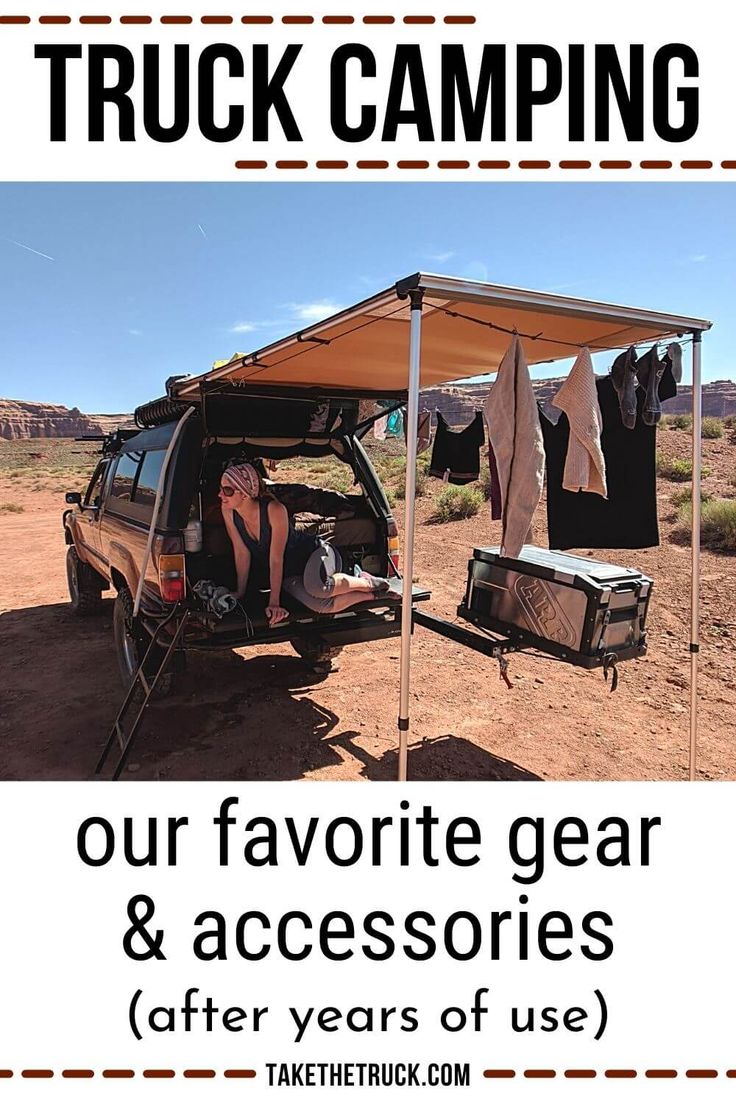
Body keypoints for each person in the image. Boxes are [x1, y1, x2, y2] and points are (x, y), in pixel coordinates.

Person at [218, 462, 390, 626]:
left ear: (245, 493)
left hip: (316, 554)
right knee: (322, 605)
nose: (221, 495)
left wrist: (274, 602)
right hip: (291, 573)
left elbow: (276, 559)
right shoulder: (229, 511)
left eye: (227, 490)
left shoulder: (274, 510)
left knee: (318, 588)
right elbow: (242, 553)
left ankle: (367, 582)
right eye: (221, 489)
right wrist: (240, 592)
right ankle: (374, 595)